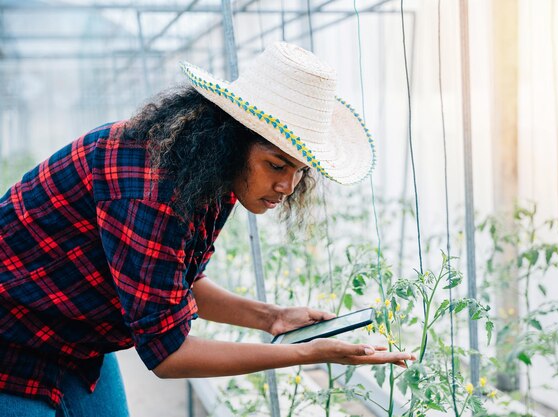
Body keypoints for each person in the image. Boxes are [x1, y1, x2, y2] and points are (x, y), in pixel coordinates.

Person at [0, 42, 414, 416]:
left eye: (299, 170)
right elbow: (167, 355)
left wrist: (273, 318)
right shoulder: (148, 189)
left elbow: (182, 280)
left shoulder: (211, 177)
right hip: (12, 340)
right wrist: (307, 355)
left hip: (77, 339)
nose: (287, 187)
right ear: (231, 140)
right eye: (276, 165)